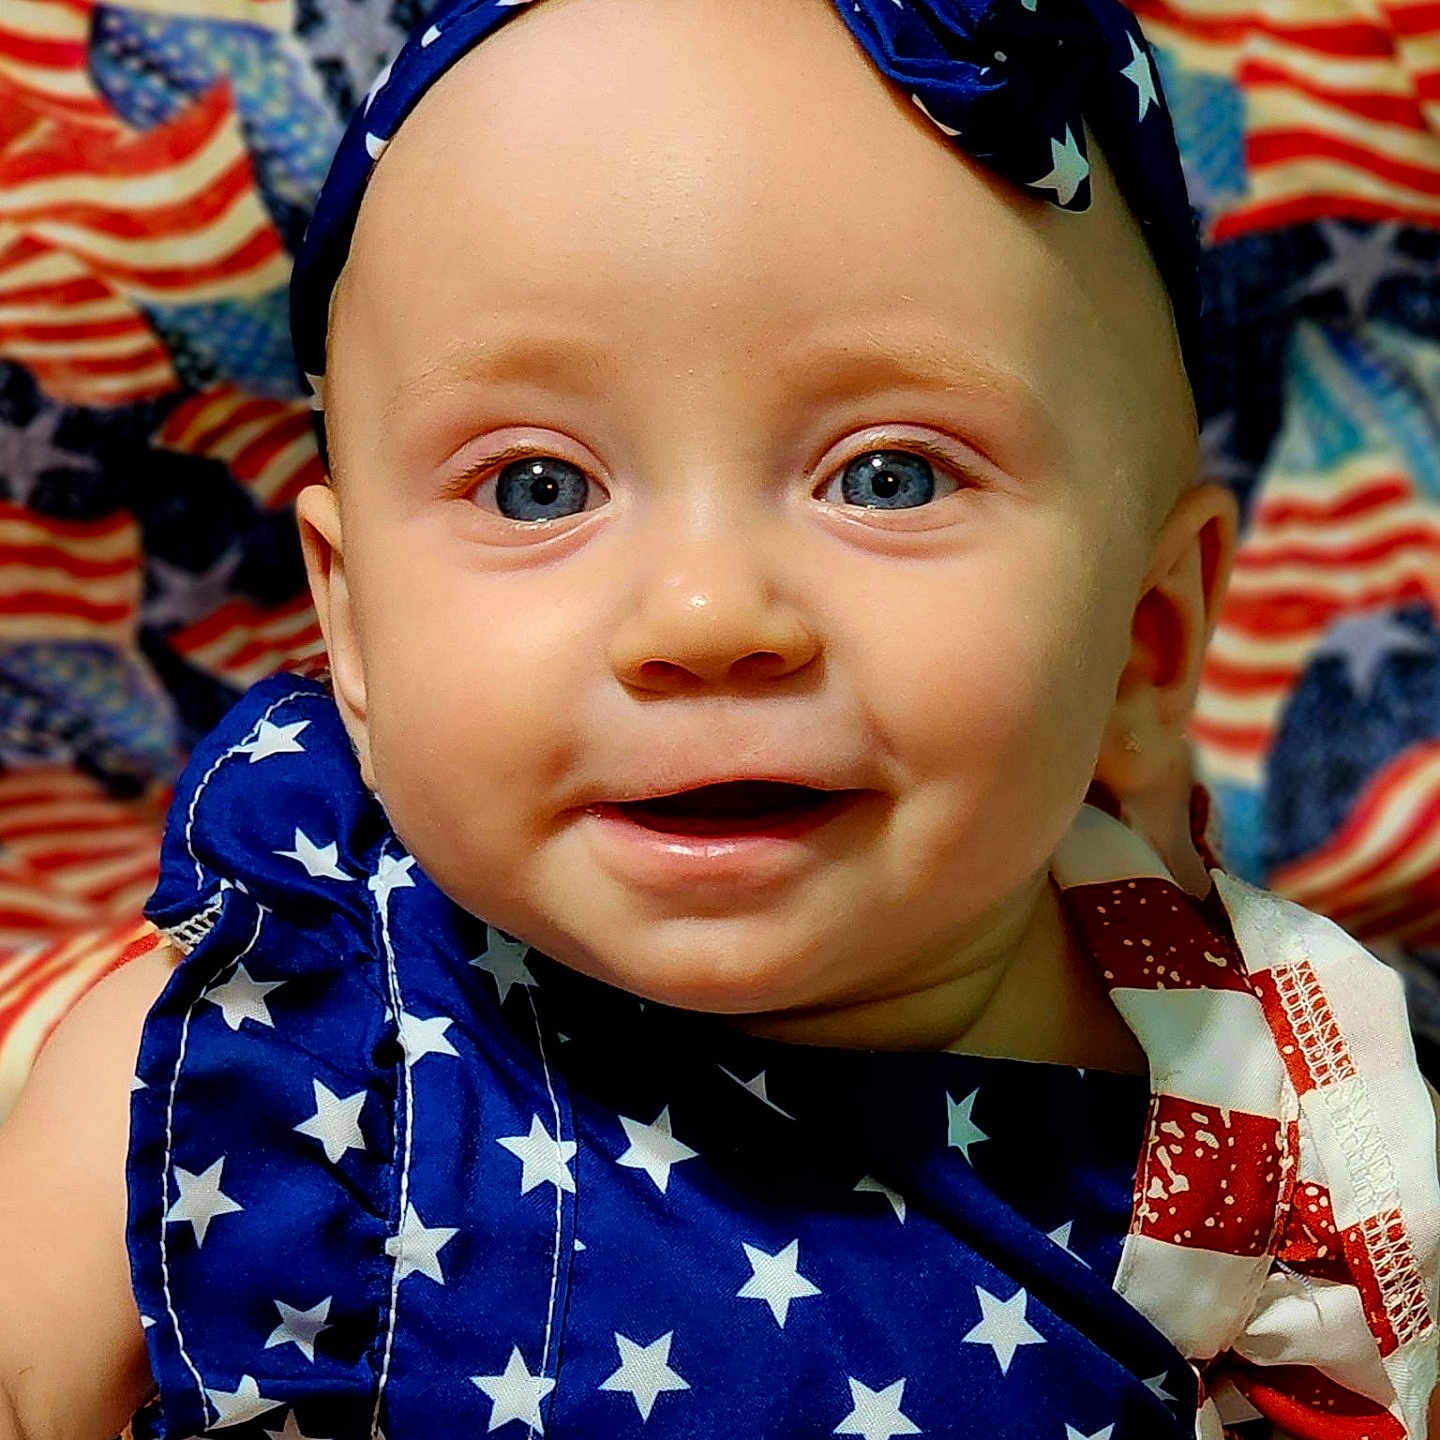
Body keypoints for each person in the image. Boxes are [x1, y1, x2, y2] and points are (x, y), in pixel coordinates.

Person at [2, 0, 1437, 1436]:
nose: (705, 618)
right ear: (355, 624)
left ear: (1144, 640)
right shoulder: (248, 1063)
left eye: (888, 477)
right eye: (536, 487)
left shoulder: (1296, 1127)